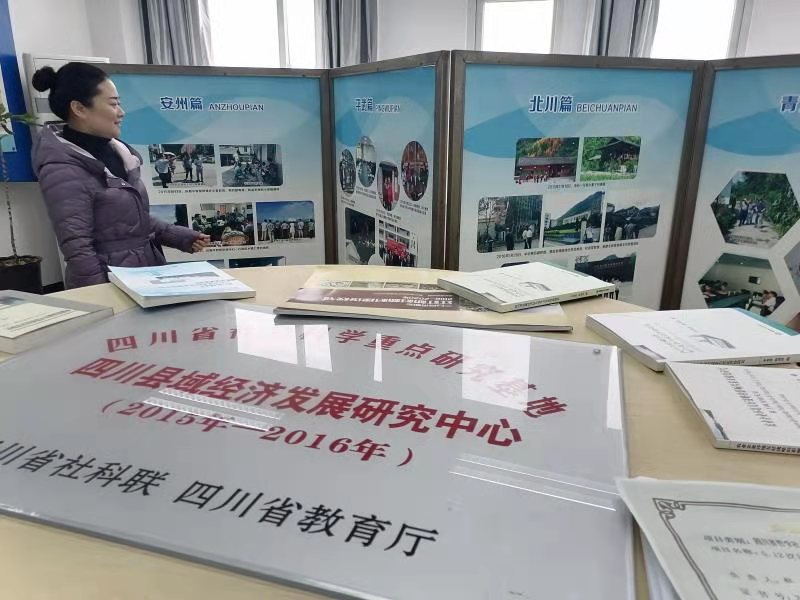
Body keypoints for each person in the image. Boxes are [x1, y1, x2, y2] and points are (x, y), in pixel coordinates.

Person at [32, 62, 209, 289]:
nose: (121, 112)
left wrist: (178, 235)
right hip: (111, 283)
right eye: (113, 104)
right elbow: (78, 249)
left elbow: (128, 221)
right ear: (79, 108)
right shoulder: (62, 168)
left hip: (143, 276)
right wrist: (102, 298)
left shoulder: (117, 152)